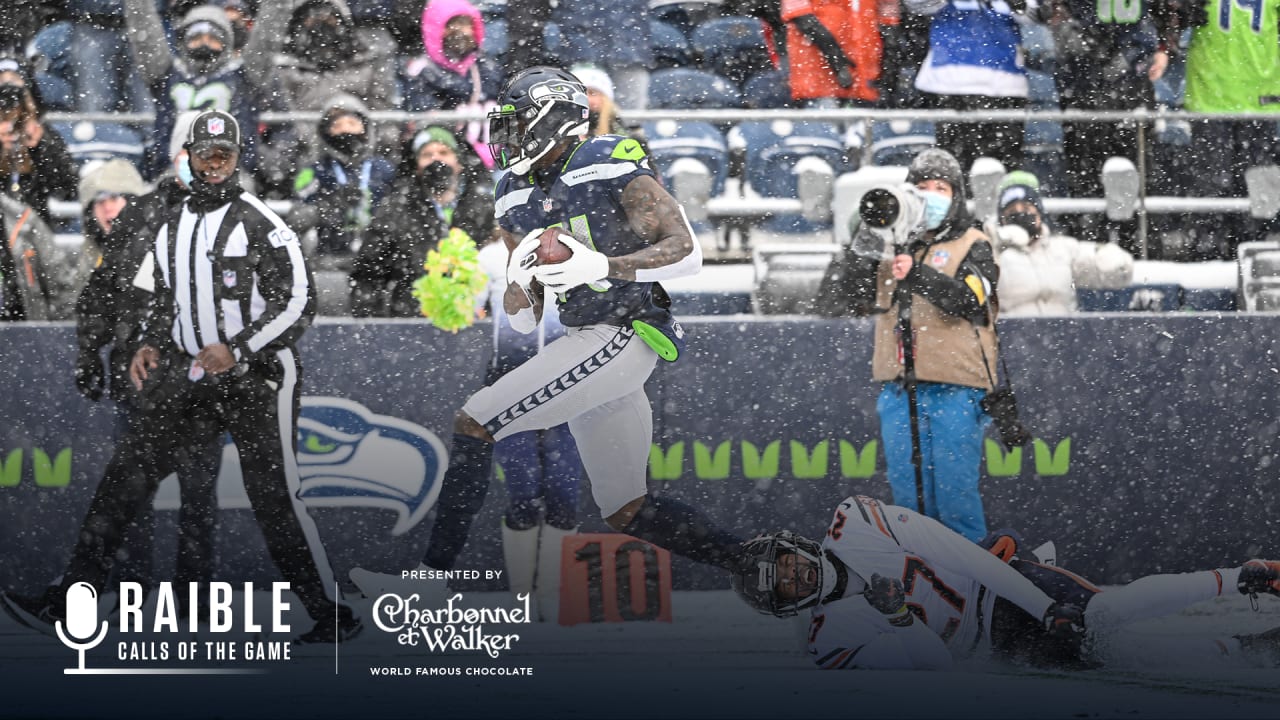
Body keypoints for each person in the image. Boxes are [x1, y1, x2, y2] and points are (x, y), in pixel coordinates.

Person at [349, 67, 745, 599]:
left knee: (474, 422)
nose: (504, 137)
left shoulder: (607, 161)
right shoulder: (512, 191)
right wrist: (519, 283)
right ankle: (758, 559)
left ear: (552, 117)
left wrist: (603, 266)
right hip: (585, 336)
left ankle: (432, 579)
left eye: (514, 123)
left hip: (624, 331)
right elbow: (526, 317)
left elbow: (688, 253)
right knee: (627, 508)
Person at [0, 110, 361, 644]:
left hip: (259, 378)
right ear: (188, 157)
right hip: (192, 374)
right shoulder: (172, 220)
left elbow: (300, 302)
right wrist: (148, 342)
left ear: (239, 159)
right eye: (206, 155)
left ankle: (330, 611)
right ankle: (68, 598)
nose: (215, 165)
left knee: (275, 496)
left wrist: (238, 348)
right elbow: (161, 294)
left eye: (226, 155)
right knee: (125, 479)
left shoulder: (261, 219)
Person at [732, 494, 1280, 670]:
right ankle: (1247, 648)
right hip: (995, 642)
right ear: (785, 606)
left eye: (783, 562)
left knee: (1105, 615)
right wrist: (897, 617)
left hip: (1002, 587)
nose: (794, 574)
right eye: (781, 585)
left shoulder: (853, 521)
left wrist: (1043, 608)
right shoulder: (828, 643)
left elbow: (958, 553)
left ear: (791, 545)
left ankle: (1244, 578)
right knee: (1122, 655)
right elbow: (936, 670)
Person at [74, 125, 222, 611]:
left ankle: (194, 597)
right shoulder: (142, 213)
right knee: (131, 492)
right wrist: (89, 350)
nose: (196, 161)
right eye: (189, 151)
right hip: (137, 380)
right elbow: (101, 294)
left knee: (197, 494)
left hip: (197, 379)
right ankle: (132, 590)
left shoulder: (227, 213)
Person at [821, 148, 999, 542]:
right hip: (900, 388)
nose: (932, 195)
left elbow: (972, 300)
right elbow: (836, 299)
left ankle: (974, 590)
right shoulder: (889, 241)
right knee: (907, 505)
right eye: (922, 188)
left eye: (942, 187)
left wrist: (917, 275)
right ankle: (920, 587)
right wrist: (866, 238)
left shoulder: (975, 241)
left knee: (955, 497)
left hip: (956, 386)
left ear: (957, 195)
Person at [475, 236, 584, 621]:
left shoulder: (580, 252)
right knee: (522, 492)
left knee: (563, 493)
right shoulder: (490, 257)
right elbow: (464, 309)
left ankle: (551, 597)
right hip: (509, 384)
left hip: (569, 383)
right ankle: (521, 599)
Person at [1035, 0, 1177, 248]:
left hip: (1115, 85)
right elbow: (1048, 13)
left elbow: (1171, 10)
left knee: (1127, 183)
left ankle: (1129, 252)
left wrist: (1163, 46)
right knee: (1094, 184)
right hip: (1089, 84)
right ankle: (1099, 251)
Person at [120, 0, 290, 185]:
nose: (204, 43)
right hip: (173, 171)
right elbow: (144, 32)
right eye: (196, 37)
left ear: (226, 43)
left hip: (232, 173)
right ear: (184, 41)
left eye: (213, 38)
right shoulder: (166, 73)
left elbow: (268, 38)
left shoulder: (244, 76)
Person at [349, 126, 495, 317]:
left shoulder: (486, 207)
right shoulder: (394, 209)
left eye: (444, 152)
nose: (436, 159)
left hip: (478, 319)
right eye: (427, 154)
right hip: (412, 320)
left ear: (459, 162)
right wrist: (373, 327)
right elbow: (368, 274)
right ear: (416, 166)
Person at [1180, 0, 1280, 260]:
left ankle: (1245, 261)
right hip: (1224, 100)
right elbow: (1171, 19)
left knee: (1252, 196)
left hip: (1243, 102)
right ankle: (1214, 271)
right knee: (1218, 194)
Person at [905, 0, 1029, 173]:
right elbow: (916, 5)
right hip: (951, 81)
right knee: (953, 169)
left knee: (1002, 171)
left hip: (1005, 82)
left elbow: (1037, 13)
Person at [987, 170, 1133, 316]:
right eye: (1012, 211)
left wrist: (1111, 259)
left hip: (1063, 334)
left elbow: (1120, 274)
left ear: (1039, 213)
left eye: (1026, 208)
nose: (1020, 214)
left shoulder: (1064, 249)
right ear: (1002, 219)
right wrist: (995, 246)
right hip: (1013, 336)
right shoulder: (992, 253)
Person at [289, 94, 397, 257]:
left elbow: (398, 210)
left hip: (378, 256)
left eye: (352, 123)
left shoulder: (384, 169)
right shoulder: (314, 171)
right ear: (326, 134)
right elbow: (296, 218)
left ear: (366, 129)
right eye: (337, 125)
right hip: (328, 256)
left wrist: (377, 213)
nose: (345, 130)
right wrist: (328, 205)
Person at [0, 58, 78, 227]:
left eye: (14, 84)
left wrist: (40, 147)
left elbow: (67, 189)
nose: (8, 97)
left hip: (35, 235)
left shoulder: (45, 135)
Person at [780, 0, 883, 108]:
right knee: (820, 120)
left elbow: (890, 21)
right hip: (818, 82)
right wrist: (838, 63)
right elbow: (802, 18)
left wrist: (887, 78)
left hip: (864, 83)